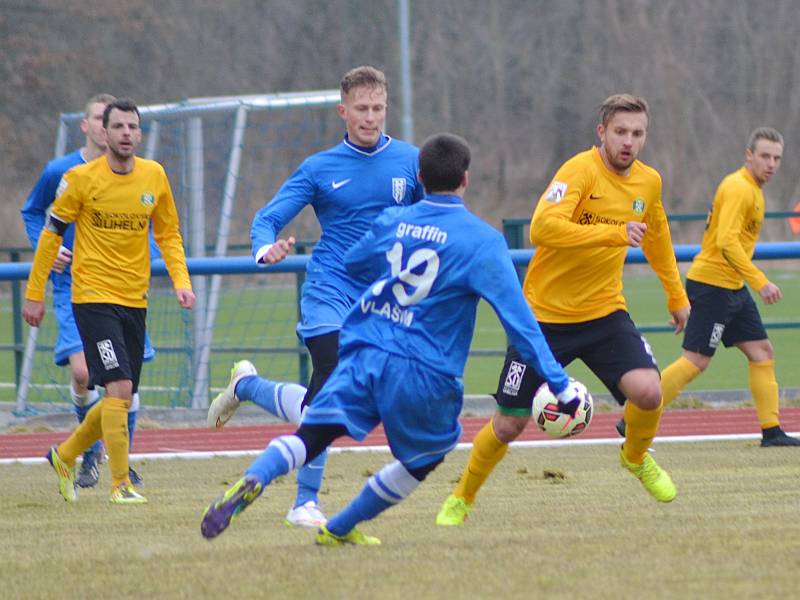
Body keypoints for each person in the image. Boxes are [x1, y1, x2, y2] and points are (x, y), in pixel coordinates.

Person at [200, 133, 586, 545]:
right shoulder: (483, 241)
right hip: (426, 371)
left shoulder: (393, 221)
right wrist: (559, 384)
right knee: (425, 457)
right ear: (466, 179)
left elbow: (354, 260)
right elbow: (521, 324)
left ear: (420, 175)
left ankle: (255, 478)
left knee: (312, 434)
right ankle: (340, 527)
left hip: (367, 351)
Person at [436, 94, 691, 527]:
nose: (629, 141)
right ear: (602, 132)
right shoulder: (579, 171)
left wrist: (676, 295)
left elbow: (657, 235)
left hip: (604, 312)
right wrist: (613, 233)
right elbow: (542, 228)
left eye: (637, 133)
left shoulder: (649, 183)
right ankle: (462, 496)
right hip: (542, 320)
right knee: (509, 423)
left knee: (649, 392)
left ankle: (635, 457)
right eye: (620, 132)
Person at [205, 65, 424, 528]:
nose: (370, 117)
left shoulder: (410, 161)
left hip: (381, 300)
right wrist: (266, 248)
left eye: (378, 108)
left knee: (330, 403)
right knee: (332, 371)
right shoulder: (320, 168)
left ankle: (246, 386)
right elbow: (267, 218)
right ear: (343, 111)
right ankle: (305, 502)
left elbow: (436, 212)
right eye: (361, 109)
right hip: (329, 287)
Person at [23, 98, 195, 504]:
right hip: (92, 297)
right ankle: (121, 485)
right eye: (117, 126)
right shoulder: (80, 179)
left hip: (134, 299)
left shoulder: (154, 176)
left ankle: (64, 456)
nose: (125, 134)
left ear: (140, 133)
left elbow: (168, 234)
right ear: (103, 131)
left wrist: (181, 280)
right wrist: (35, 293)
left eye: (132, 127)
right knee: (118, 385)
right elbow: (50, 233)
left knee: (123, 392)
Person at [620, 127, 798, 447]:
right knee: (697, 360)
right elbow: (726, 242)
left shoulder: (754, 189)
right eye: (765, 156)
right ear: (749, 156)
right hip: (713, 285)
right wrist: (761, 281)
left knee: (761, 352)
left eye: (777, 158)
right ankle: (634, 414)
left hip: (732, 286)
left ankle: (771, 432)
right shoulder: (738, 188)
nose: (771, 163)